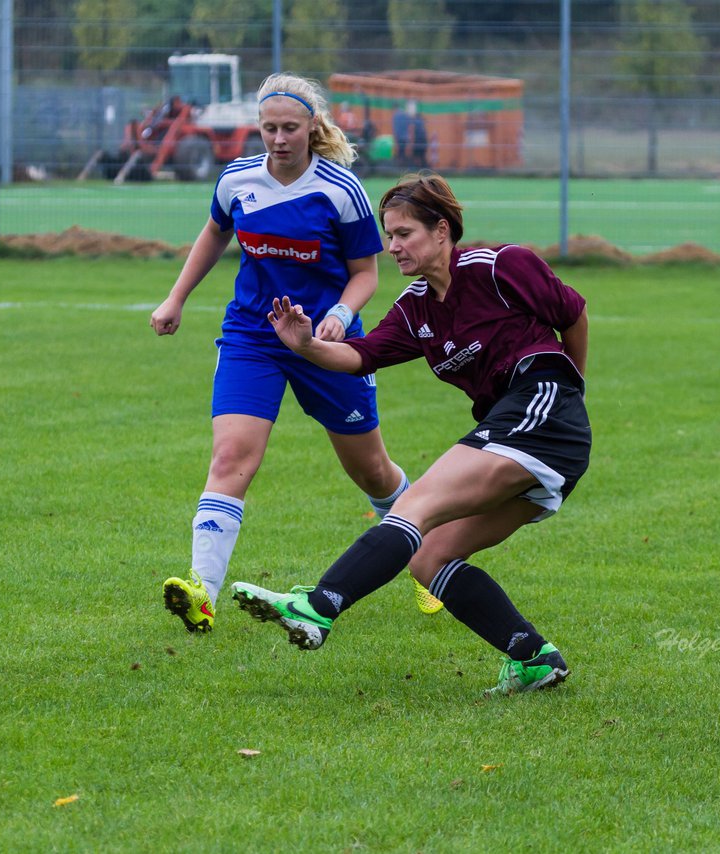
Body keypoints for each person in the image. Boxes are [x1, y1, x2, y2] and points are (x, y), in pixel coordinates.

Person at [229, 172, 591, 697]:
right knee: (429, 556)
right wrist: (305, 346)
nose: (392, 246)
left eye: (404, 234)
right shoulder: (414, 307)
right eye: (389, 235)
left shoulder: (501, 265)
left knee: (413, 505)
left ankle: (319, 606)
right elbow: (360, 356)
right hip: (519, 425)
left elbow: (573, 314)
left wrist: (568, 387)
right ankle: (533, 657)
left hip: (541, 409)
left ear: (441, 230)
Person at [150, 73, 442, 634]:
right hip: (254, 337)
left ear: (313, 127)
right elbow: (215, 234)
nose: (278, 139)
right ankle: (201, 591)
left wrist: (337, 317)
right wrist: (176, 297)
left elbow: (364, 274)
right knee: (231, 458)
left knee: (374, 474)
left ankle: (427, 562)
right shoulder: (238, 178)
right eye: (268, 128)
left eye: (289, 127)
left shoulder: (340, 189)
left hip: (322, 343)